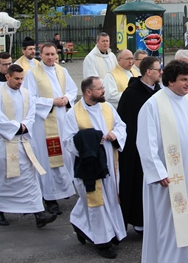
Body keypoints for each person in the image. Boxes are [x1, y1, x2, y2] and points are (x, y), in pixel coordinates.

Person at [137, 60, 188, 263]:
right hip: (168, 180)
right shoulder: (153, 105)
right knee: (171, 226)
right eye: (183, 79)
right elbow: (145, 142)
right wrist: (158, 172)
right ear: (170, 81)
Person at [0, 64, 57, 229]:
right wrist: (17, 127)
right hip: (4, 144)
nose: (20, 82)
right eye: (16, 79)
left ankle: (39, 214)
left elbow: (31, 115)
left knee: (30, 179)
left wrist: (25, 126)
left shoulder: (26, 94)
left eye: (22, 78)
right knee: (4, 180)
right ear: (8, 77)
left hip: (23, 143)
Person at [64, 76, 127, 259]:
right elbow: (68, 141)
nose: (103, 91)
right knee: (96, 201)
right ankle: (103, 242)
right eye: (100, 89)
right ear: (88, 92)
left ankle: (82, 223)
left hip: (110, 161)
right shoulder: (73, 114)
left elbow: (121, 125)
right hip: (89, 165)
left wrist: (114, 134)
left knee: (109, 197)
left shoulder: (107, 108)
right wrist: (91, 140)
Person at [23, 42, 77, 216]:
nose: (50, 57)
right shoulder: (32, 74)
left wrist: (66, 98)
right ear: (41, 55)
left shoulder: (62, 71)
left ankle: (64, 190)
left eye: (53, 54)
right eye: (47, 54)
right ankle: (49, 197)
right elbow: (29, 98)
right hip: (44, 122)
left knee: (65, 155)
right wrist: (51, 102)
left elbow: (72, 90)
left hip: (62, 120)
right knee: (47, 158)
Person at [116, 55, 161, 234]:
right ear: (148, 72)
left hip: (157, 145)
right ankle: (138, 220)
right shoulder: (131, 94)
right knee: (137, 183)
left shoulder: (159, 91)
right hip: (135, 148)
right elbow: (124, 122)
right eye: (158, 69)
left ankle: (154, 220)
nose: (161, 72)